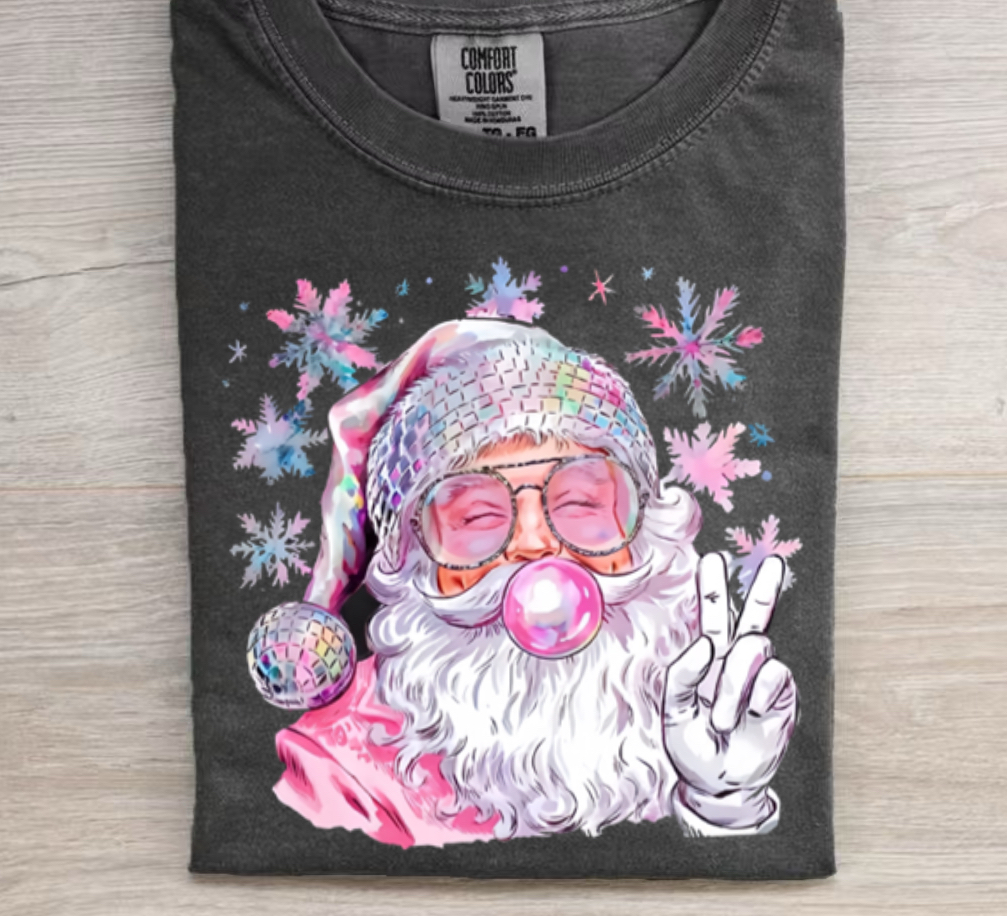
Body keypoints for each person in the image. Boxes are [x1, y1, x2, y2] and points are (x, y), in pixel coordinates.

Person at [266, 319, 797, 846]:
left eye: (581, 502)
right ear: (413, 558)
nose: (535, 544)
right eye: (478, 516)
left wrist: (724, 801)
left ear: (647, 528)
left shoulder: (718, 711)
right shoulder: (338, 767)